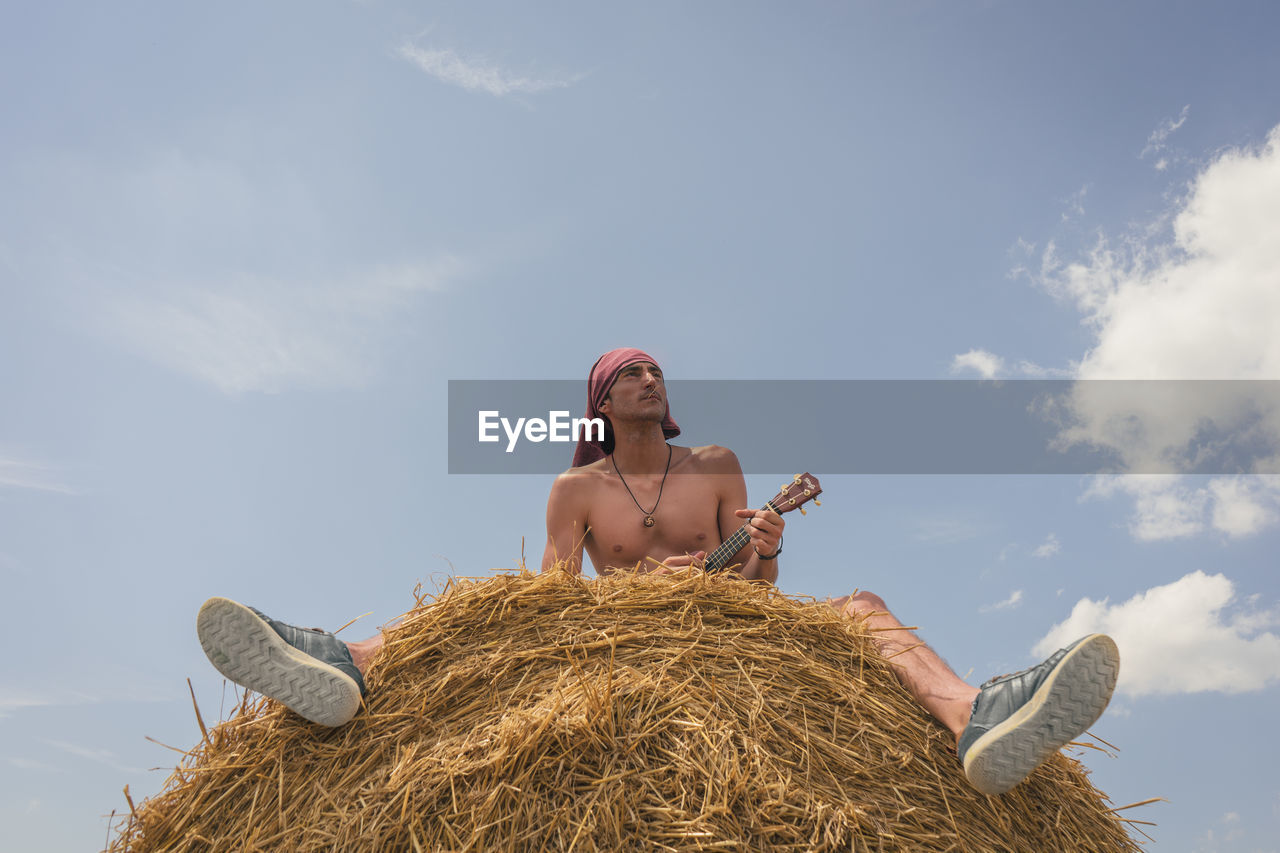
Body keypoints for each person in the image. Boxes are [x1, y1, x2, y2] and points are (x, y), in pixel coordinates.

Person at [197, 347, 1119, 797]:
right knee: (478, 604)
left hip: (726, 623)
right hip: (614, 627)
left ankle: (973, 713)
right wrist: (632, 596)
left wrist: (758, 547)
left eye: (655, 370)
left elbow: (755, 589)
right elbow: (550, 594)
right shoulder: (574, 488)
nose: (650, 378)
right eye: (630, 372)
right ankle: (344, 661)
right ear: (601, 401)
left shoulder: (716, 462)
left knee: (866, 604)